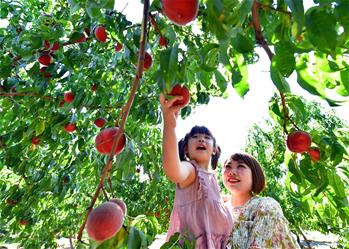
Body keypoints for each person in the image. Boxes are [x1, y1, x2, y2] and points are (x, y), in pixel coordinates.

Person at [160, 93, 233, 249]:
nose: (201, 139)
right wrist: (169, 124)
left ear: (214, 149)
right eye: (195, 137)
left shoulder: (212, 181)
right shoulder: (191, 171)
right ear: (186, 148)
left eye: (207, 137)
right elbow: (174, 170)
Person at [222, 152, 300, 249]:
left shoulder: (265, 206)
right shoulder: (217, 208)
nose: (232, 172)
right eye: (228, 166)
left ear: (254, 175)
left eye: (240, 166)